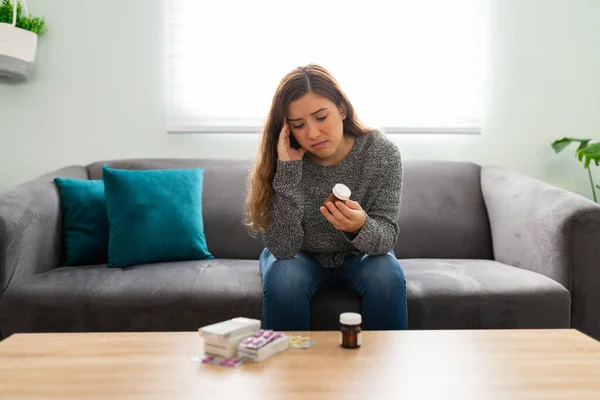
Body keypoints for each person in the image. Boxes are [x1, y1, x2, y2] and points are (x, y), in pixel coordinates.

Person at [244, 64, 407, 331]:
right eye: (298, 125)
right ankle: (290, 369)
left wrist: (358, 227)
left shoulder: (381, 153)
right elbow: (283, 249)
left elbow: (386, 236)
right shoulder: (284, 157)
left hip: (359, 255)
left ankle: (382, 369)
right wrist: (287, 171)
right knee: (285, 277)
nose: (312, 134)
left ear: (342, 109)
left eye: (321, 117)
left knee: (385, 275)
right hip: (299, 255)